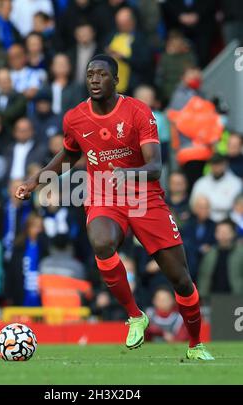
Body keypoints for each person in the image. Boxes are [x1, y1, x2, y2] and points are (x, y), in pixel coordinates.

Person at [16, 54, 214, 360]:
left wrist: (127, 173)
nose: (94, 79)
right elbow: (69, 155)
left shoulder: (137, 111)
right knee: (101, 241)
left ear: (116, 80)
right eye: (90, 74)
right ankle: (136, 316)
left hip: (145, 196)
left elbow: (156, 165)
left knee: (180, 279)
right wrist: (34, 181)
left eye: (101, 75)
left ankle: (195, 345)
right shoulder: (75, 117)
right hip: (104, 196)